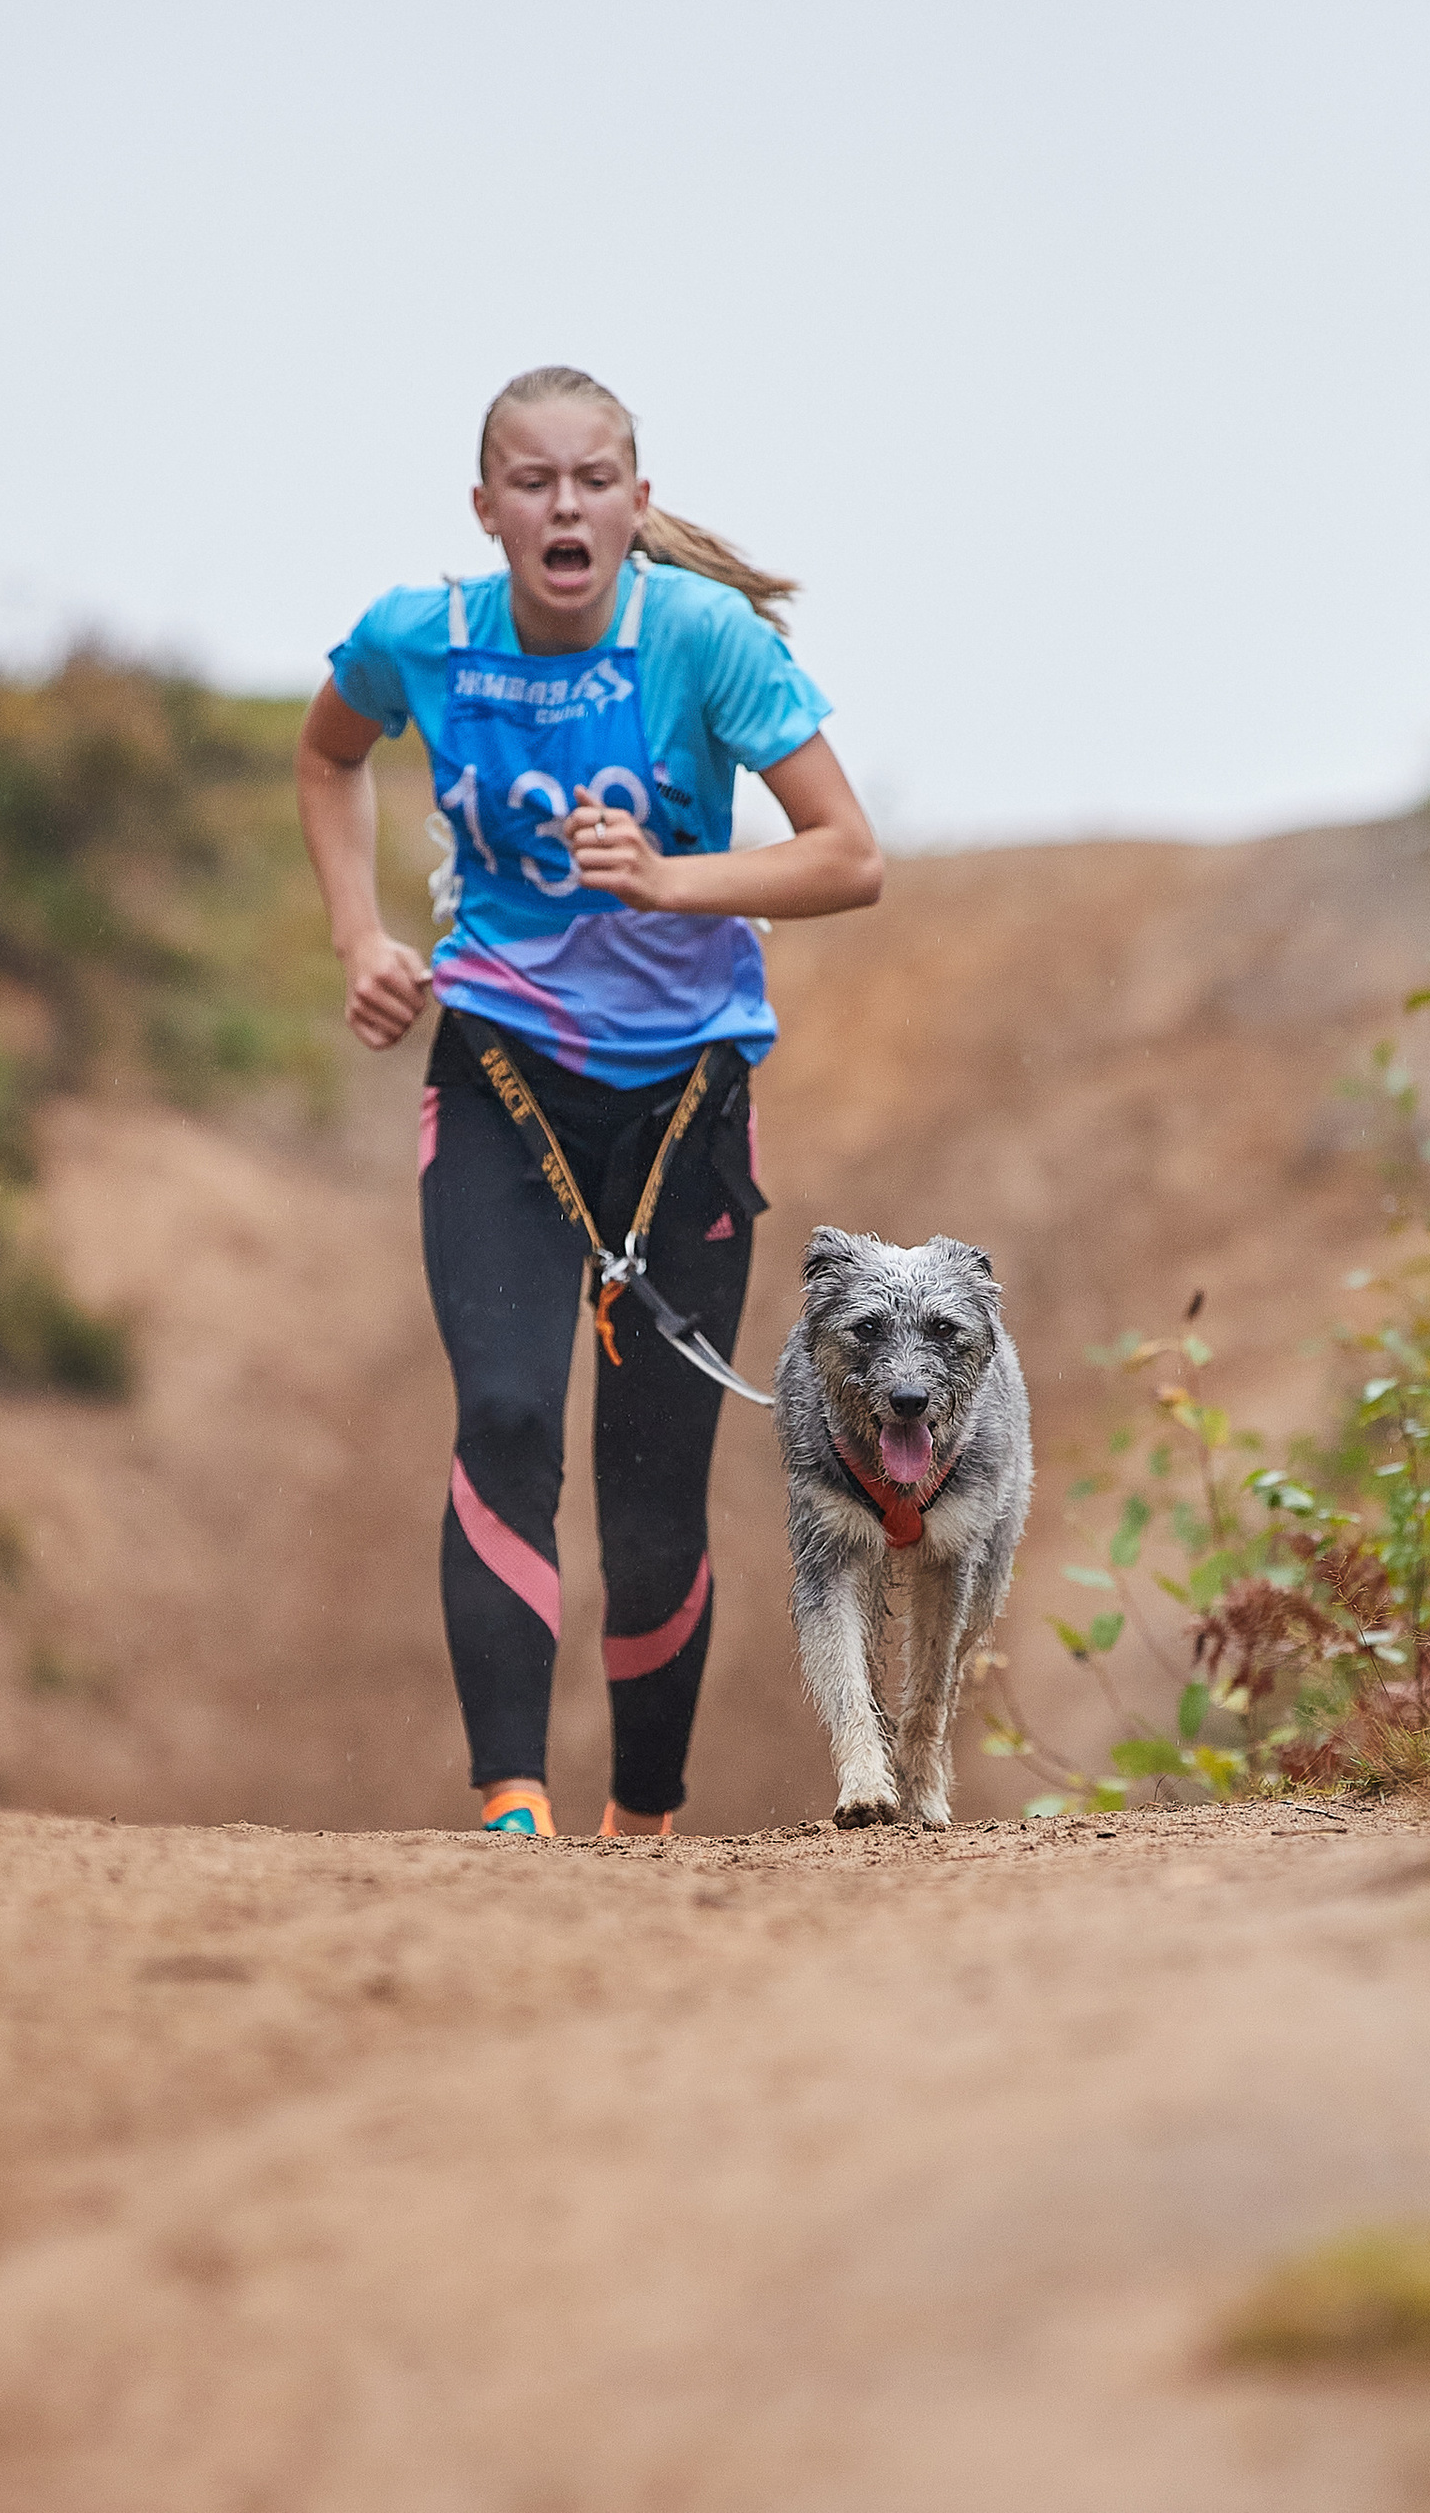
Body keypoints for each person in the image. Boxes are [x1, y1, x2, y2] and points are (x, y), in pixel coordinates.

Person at [296, 365, 883, 1837]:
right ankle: (512, 1806)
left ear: (635, 501)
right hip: (500, 1073)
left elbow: (848, 855)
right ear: (486, 508)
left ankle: (643, 1821)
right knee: (505, 1414)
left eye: (593, 479)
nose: (565, 504)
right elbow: (327, 752)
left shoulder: (700, 640)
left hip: (686, 1100)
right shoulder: (420, 639)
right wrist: (362, 938)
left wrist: (672, 881)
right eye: (534, 480)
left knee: (652, 1488)